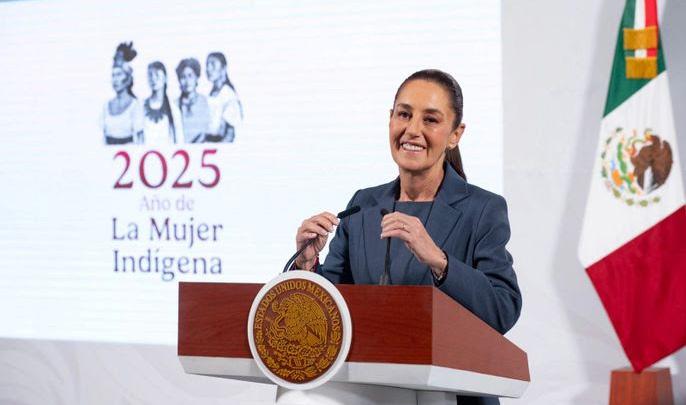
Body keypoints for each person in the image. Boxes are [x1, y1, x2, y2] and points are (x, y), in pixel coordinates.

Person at [293, 69, 521, 405]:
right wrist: (307, 264)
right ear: (390, 120)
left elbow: (502, 309)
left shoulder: (482, 209)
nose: (412, 129)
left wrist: (440, 262)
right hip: (367, 392)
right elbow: (332, 306)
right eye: (404, 114)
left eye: (430, 120)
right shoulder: (363, 205)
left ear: (455, 134)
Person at [101, 42, 143, 145]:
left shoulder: (135, 105)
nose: (115, 80)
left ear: (128, 79)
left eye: (119, 75)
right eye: (113, 75)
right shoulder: (106, 106)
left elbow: (140, 140)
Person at [205, 52, 243, 143]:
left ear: (223, 68)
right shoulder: (212, 94)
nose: (208, 69)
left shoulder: (228, 94)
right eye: (207, 65)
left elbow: (229, 134)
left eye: (213, 65)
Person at [142, 61, 182, 145]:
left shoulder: (173, 109)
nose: (153, 79)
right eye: (150, 75)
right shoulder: (141, 107)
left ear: (165, 78)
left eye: (157, 75)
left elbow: (179, 139)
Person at [175, 58, 210, 143]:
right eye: (183, 77)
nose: (187, 81)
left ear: (196, 77)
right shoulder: (174, 105)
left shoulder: (206, 102)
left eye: (190, 76)